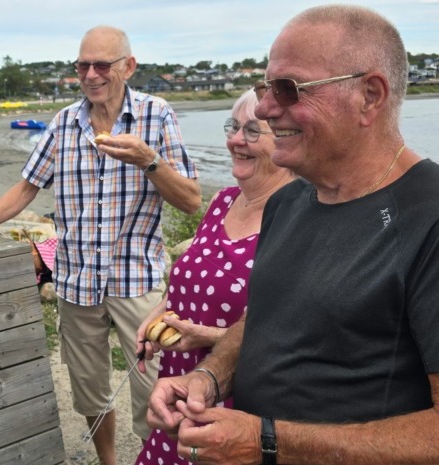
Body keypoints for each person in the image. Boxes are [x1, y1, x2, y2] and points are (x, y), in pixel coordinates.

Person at [147, 5, 439, 465]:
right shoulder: (288, 202)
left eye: (288, 89)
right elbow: (265, 319)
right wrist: (207, 378)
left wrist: (267, 442)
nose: (265, 108)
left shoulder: (430, 219)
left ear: (370, 96)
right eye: (266, 87)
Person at [0, 26, 201, 465]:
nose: (90, 75)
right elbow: (27, 187)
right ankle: (108, 460)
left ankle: (154, 458)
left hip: (137, 282)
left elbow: (190, 199)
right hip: (76, 283)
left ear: (129, 66)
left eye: (101, 65)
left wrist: (148, 160)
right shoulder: (65, 123)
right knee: (89, 388)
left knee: (155, 391)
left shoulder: (157, 114)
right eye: (82, 65)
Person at [133, 89, 295, 465]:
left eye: (253, 131)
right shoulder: (222, 200)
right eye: (233, 127)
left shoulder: (298, 216)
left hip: (240, 400)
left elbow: (295, 333)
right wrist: (159, 313)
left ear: (285, 141)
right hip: (177, 388)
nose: (235, 140)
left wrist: (208, 337)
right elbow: (190, 283)